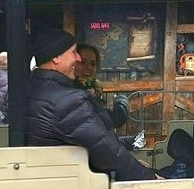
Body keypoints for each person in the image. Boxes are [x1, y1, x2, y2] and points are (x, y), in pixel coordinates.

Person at [26, 28, 157, 181]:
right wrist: (150, 178)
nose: (78, 59)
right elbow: (106, 152)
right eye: (74, 52)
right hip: (76, 185)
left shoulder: (34, 89)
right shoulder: (68, 100)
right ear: (56, 57)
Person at [76, 43, 129, 130]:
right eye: (83, 62)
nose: (89, 67)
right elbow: (115, 119)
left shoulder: (93, 87)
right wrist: (122, 100)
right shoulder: (77, 91)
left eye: (93, 64)